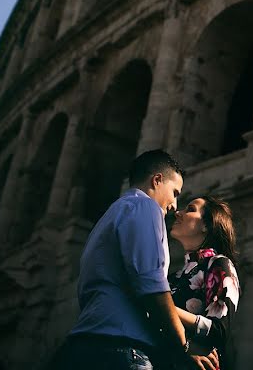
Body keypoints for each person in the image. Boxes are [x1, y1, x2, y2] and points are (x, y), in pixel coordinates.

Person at [50, 150, 216, 370]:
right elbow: (153, 287)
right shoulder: (146, 207)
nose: (175, 206)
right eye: (175, 192)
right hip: (120, 349)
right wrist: (184, 347)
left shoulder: (111, 214)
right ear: (157, 180)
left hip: (84, 342)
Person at [167, 196, 242, 370]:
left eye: (191, 209)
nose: (178, 213)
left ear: (207, 225)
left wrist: (164, 308)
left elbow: (219, 329)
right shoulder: (174, 277)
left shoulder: (220, 265)